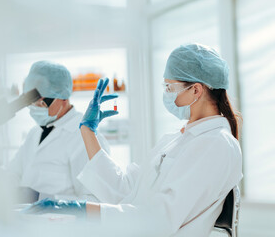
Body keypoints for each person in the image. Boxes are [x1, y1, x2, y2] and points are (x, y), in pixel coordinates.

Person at [24, 44, 243, 237]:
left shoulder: (216, 145)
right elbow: (124, 189)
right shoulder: (178, 139)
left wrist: (81, 210)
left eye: (170, 87)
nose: (166, 94)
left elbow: (159, 221)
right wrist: (87, 132)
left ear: (196, 90)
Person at [8, 60, 110, 202]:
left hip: (60, 223)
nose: (35, 108)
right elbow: (14, 173)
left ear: (63, 98)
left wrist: (45, 199)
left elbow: (94, 201)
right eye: (31, 103)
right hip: (27, 220)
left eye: (42, 103)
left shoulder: (84, 136)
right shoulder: (34, 133)